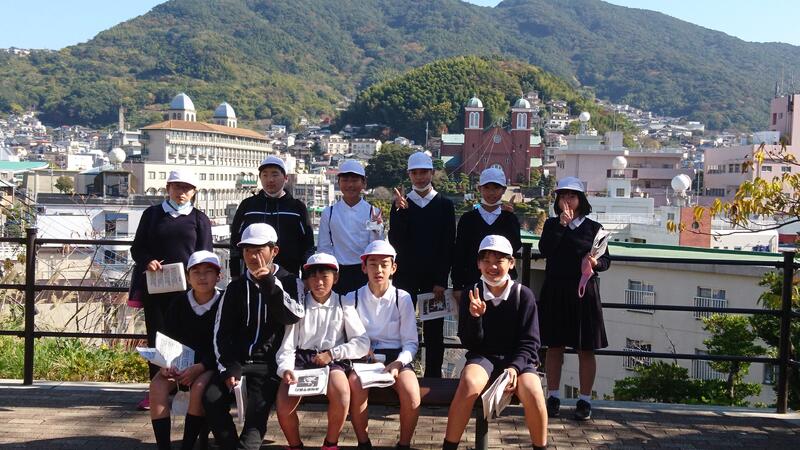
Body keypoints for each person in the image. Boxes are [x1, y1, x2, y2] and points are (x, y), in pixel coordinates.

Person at [203, 223, 305, 449]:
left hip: (269, 365)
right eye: (247, 250)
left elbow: (293, 316)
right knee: (211, 398)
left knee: (255, 420)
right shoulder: (235, 287)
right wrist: (229, 367)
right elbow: (221, 332)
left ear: (274, 251)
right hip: (238, 361)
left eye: (259, 250)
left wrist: (270, 284)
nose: (252, 256)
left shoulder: (290, 281)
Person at [443, 235, 547, 449]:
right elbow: (470, 343)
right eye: (486, 261)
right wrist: (475, 317)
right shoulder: (471, 293)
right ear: (478, 264)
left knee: (534, 391)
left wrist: (514, 367)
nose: (492, 267)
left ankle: (541, 446)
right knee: (469, 383)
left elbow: (530, 342)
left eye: (499, 261)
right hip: (484, 356)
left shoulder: (523, 295)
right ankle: (449, 446)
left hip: (519, 360)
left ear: (511, 263)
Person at [131, 169, 213, 410]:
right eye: (177, 187)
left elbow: (205, 254)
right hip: (156, 288)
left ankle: (185, 387)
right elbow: (137, 248)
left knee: (187, 337)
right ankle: (156, 388)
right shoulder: (152, 214)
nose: (181, 192)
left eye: (187, 188)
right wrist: (148, 261)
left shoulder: (199, 219)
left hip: (188, 290)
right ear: (168, 188)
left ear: (194, 192)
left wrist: (196, 276)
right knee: (157, 338)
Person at [275, 252, 370, 450]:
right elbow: (288, 344)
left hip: (332, 360)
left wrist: (333, 353)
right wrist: (285, 369)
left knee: (342, 392)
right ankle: (295, 445)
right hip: (301, 360)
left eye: (324, 276)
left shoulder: (343, 304)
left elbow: (362, 342)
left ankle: (330, 443)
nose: (318, 282)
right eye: (313, 277)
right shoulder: (299, 305)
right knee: (283, 406)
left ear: (335, 278)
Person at [537, 176, 610, 421]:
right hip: (555, 290)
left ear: (581, 199)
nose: (567, 200)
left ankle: (585, 400)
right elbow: (545, 250)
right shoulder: (551, 224)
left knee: (585, 348)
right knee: (554, 346)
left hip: (583, 293)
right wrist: (561, 225)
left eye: (572, 195)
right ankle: (553, 396)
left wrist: (595, 263)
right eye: (563, 196)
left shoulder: (594, 227)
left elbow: (606, 261)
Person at [345, 240, 420, 450]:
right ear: (364, 267)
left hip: (395, 357)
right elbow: (350, 336)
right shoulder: (352, 298)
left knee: (412, 394)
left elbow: (411, 342)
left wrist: (399, 363)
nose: (378, 270)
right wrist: (361, 349)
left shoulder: (402, 298)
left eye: (384, 264)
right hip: (364, 357)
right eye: (373, 264)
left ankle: (404, 445)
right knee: (356, 384)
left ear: (393, 268)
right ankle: (363, 443)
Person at [388, 151, 455, 378]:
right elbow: (395, 241)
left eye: (424, 172)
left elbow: (448, 245)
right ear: (409, 175)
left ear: (432, 173)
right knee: (401, 326)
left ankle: (433, 378)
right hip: (405, 276)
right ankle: (400, 374)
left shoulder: (445, 205)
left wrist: (441, 280)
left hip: (433, 278)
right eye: (415, 173)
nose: (419, 177)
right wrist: (400, 212)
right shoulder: (400, 204)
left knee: (434, 331)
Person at [149, 250, 223, 450]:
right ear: (188, 278)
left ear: (218, 276)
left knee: (199, 387)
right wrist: (166, 364)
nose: (202, 277)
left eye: (208, 271)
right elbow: (167, 337)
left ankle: (188, 445)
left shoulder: (225, 303)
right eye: (196, 272)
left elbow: (227, 343)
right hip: (180, 364)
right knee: (157, 386)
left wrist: (201, 366)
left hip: (211, 364)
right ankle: (163, 446)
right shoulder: (179, 303)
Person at [230, 155, 314, 277]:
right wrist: (235, 275)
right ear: (260, 178)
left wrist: (307, 277)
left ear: (285, 178)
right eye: (265, 175)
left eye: (275, 175)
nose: (270, 180)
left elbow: (308, 244)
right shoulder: (248, 205)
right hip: (252, 275)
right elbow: (235, 241)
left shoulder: (297, 207)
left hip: (288, 275)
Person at [451, 167, 522, 297]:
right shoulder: (468, 219)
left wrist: (509, 218)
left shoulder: (509, 218)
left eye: (496, 188)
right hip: (472, 283)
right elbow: (460, 253)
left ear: (503, 190)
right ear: (479, 189)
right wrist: (457, 286)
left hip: (502, 284)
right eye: (487, 187)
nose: (491, 192)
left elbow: (515, 245)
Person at [318, 159, 384, 295]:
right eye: (345, 180)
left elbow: (376, 247)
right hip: (337, 272)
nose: (350, 185)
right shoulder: (329, 213)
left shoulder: (373, 212)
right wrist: (329, 271)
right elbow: (323, 247)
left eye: (354, 180)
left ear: (364, 183)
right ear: (339, 183)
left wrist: (377, 229)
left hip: (364, 272)